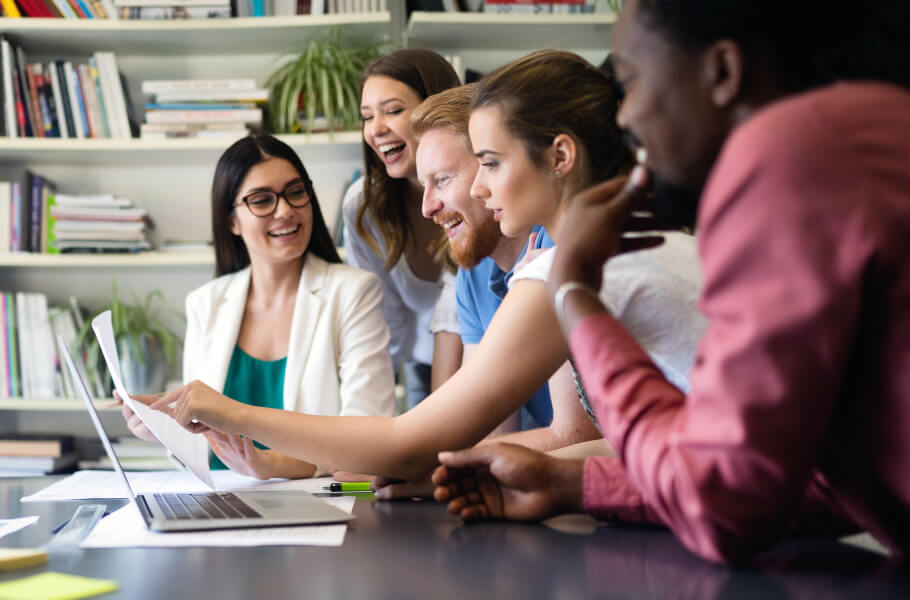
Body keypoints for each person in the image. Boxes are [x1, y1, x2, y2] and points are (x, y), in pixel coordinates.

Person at [432, 0, 910, 565]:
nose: (626, 118)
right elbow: (795, 478)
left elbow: (729, 507)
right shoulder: (864, 130)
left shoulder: (787, 153)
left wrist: (578, 295)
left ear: (723, 71)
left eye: (630, 84)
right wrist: (571, 486)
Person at [137, 50, 703, 487]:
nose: (477, 188)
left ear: (560, 157)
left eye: (490, 164)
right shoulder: (639, 238)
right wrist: (471, 467)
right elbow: (646, 439)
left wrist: (233, 412)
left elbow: (408, 442)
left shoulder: (561, 264)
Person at [121, 134, 395, 479]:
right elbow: (205, 447)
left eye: (296, 192)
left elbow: (367, 441)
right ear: (231, 221)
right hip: (219, 507)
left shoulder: (354, 293)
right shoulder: (205, 303)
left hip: (315, 507)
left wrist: (269, 465)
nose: (285, 211)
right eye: (261, 200)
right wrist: (167, 427)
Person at [413, 83, 559, 434]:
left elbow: (578, 435)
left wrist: (443, 465)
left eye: (443, 180)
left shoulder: (558, 248)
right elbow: (487, 427)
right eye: (424, 186)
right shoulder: (473, 274)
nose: (427, 207)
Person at [343, 48, 462, 409]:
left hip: (499, 364)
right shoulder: (364, 207)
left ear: (438, 109)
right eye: (367, 116)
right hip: (423, 370)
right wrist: (363, 414)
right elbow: (382, 324)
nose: (376, 129)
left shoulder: (482, 193)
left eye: (393, 111)